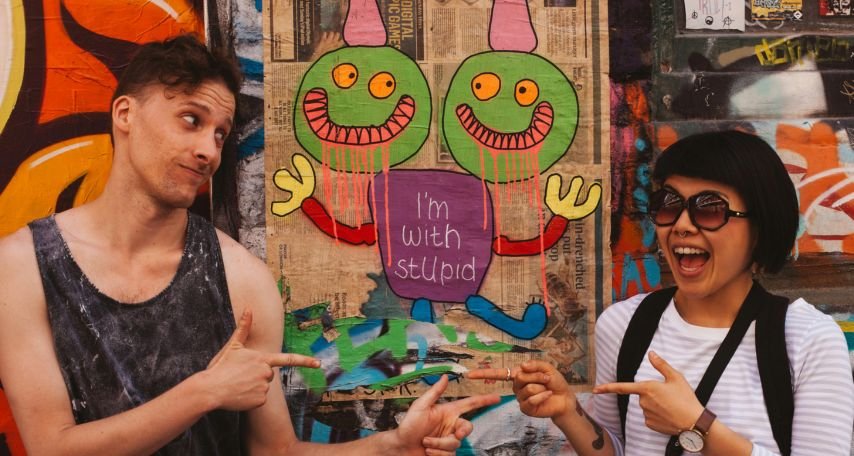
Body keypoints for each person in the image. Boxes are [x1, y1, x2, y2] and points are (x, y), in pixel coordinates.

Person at [0, 34, 498, 455]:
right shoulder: (22, 266)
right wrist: (203, 391)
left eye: (220, 135)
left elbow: (274, 452)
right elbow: (51, 447)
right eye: (191, 120)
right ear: (125, 114)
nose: (207, 150)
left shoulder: (240, 278)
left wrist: (390, 445)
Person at [468, 130, 854, 455]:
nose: (682, 225)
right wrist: (568, 411)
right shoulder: (624, 324)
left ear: (759, 226)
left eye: (709, 208)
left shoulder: (806, 339)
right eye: (669, 205)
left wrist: (698, 425)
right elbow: (618, 449)